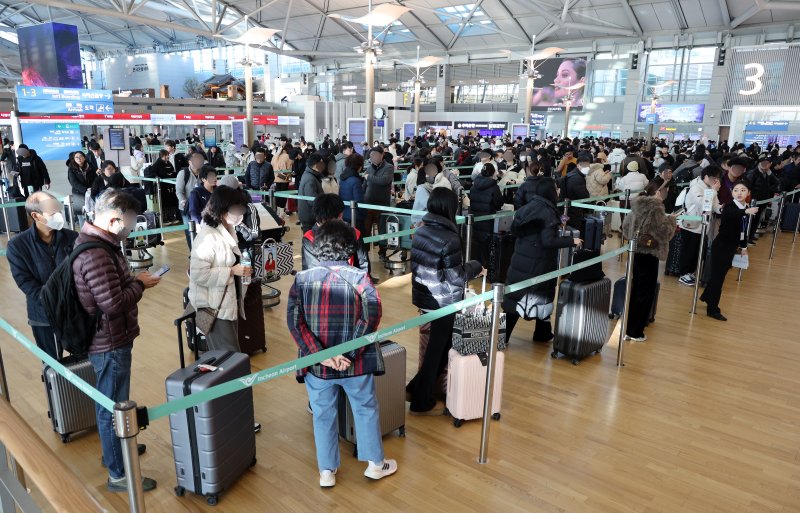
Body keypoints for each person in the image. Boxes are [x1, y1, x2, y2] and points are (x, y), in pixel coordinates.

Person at [288, 220, 397, 488]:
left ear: (317, 246)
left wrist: (321, 355)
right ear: (350, 247)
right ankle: (374, 464)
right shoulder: (361, 278)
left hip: (318, 366)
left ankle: (326, 471)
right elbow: (372, 316)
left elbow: (295, 323)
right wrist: (348, 352)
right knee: (365, 409)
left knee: (323, 414)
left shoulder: (301, 280)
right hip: (356, 363)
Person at [72, 189, 161, 492]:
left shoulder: (99, 242)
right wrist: (140, 284)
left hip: (112, 337)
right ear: (114, 219)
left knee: (114, 402)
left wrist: (133, 281)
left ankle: (117, 450)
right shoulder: (97, 253)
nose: (134, 226)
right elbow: (112, 303)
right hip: (109, 342)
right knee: (112, 406)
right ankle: (118, 473)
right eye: (132, 220)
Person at [408, 188, 482, 415]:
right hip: (443, 301)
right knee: (437, 351)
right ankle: (421, 401)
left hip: (424, 295)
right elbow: (456, 276)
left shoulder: (421, 230)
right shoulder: (450, 237)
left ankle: (415, 388)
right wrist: (476, 266)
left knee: (436, 348)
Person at [503, 177, 581, 342]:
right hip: (539, 263)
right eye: (556, 188)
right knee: (541, 296)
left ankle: (506, 336)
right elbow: (548, 241)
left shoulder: (529, 207)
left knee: (516, 298)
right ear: (550, 191)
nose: (559, 191)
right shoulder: (547, 212)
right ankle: (541, 333)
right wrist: (571, 241)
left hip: (521, 260)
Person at [7, 192, 79, 360]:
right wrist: (54, 300)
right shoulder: (18, 246)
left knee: (86, 363)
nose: (59, 215)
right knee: (52, 365)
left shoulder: (73, 238)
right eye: (52, 212)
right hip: (43, 317)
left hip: (75, 314)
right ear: (36, 215)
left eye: (58, 209)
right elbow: (25, 283)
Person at [188, 185, 252, 350]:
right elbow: (198, 274)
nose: (239, 214)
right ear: (222, 208)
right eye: (236, 209)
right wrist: (231, 271)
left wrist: (242, 271)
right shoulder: (207, 237)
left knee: (230, 358)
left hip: (227, 303)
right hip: (214, 307)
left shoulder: (229, 230)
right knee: (229, 359)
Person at [621, 182, 680, 341]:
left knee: (636, 289)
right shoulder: (656, 208)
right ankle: (636, 331)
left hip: (636, 251)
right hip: (650, 253)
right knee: (645, 293)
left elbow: (625, 228)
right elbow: (665, 233)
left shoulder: (636, 205)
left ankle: (629, 327)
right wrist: (672, 221)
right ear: (657, 194)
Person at [700, 181, 759, 321]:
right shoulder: (730, 206)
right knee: (718, 279)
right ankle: (712, 309)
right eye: (736, 190)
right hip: (721, 247)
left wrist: (744, 247)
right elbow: (730, 214)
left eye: (743, 190)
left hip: (731, 247)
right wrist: (745, 211)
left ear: (748, 193)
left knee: (719, 276)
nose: (739, 193)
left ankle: (706, 296)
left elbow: (744, 229)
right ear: (732, 193)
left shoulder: (745, 206)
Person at [301, 194, 370, 272]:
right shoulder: (309, 238)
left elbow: (310, 269)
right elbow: (364, 267)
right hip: (349, 280)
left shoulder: (354, 233)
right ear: (340, 215)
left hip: (337, 281)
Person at [677, 166, 722, 286]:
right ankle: (683, 274)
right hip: (690, 225)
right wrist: (713, 191)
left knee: (698, 251)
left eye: (717, 179)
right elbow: (704, 205)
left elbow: (714, 204)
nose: (716, 181)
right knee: (688, 251)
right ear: (706, 177)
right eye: (714, 178)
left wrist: (721, 209)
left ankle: (690, 272)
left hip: (703, 226)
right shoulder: (695, 187)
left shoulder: (710, 188)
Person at [469, 163, 505, 266]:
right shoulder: (494, 187)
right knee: (487, 247)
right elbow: (499, 203)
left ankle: (476, 268)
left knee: (477, 246)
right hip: (488, 221)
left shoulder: (474, 185)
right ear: (493, 173)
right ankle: (486, 269)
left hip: (475, 220)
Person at [362, 147, 394, 249]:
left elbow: (384, 181)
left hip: (381, 205)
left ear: (382, 155)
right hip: (368, 205)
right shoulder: (369, 168)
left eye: (375, 155)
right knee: (366, 231)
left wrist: (369, 177)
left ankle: (382, 252)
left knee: (382, 231)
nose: (373, 157)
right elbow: (364, 185)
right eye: (371, 156)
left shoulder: (389, 167)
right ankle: (365, 252)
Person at [746, 157, 781, 243]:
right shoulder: (753, 172)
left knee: (757, 219)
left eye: (768, 163)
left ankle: (751, 235)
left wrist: (770, 174)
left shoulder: (768, 173)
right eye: (763, 162)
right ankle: (746, 237)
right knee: (750, 219)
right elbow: (747, 185)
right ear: (759, 163)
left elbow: (777, 182)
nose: (765, 164)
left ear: (770, 164)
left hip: (763, 200)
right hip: (754, 201)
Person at [176, 152, 205, 247]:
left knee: (202, 231)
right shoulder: (183, 173)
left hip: (201, 207)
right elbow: (179, 191)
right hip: (187, 208)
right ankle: (193, 253)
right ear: (190, 162)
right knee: (190, 231)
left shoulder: (203, 173)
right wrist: (183, 201)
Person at [562, 152, 591, 234]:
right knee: (574, 231)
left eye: (588, 166)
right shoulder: (577, 178)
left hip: (567, 209)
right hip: (573, 210)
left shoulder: (572, 174)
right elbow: (584, 196)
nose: (587, 168)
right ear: (578, 165)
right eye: (584, 166)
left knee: (567, 228)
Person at [298, 153, 326, 233]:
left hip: (309, 216)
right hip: (310, 217)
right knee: (310, 241)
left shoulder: (310, 174)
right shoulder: (310, 179)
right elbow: (312, 200)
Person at [339, 152, 366, 232]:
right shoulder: (356, 180)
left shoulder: (343, 178)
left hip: (345, 215)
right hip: (355, 217)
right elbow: (359, 201)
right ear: (359, 166)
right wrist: (365, 213)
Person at [67, 151, 97, 220]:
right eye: (76, 157)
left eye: (80, 156)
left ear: (84, 157)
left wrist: (92, 188)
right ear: (74, 159)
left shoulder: (91, 166)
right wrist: (85, 189)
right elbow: (74, 182)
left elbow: (95, 179)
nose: (79, 158)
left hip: (91, 193)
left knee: (93, 214)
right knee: (81, 215)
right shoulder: (71, 168)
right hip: (79, 194)